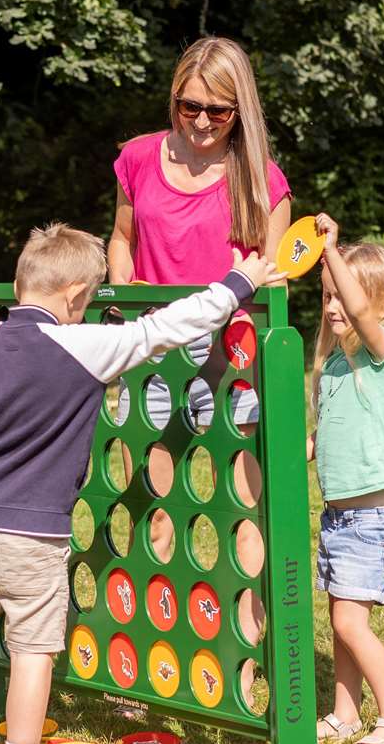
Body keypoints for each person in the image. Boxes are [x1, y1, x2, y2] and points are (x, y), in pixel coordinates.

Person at [0, 223, 281, 744]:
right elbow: (164, 328)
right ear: (77, 295)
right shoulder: (83, 345)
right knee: (34, 653)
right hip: (32, 532)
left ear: (19, 283)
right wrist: (240, 282)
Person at [106, 36, 291, 557]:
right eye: (190, 107)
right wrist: (123, 299)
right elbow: (122, 239)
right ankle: (156, 637)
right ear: (174, 101)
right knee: (154, 515)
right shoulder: (138, 158)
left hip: (232, 355)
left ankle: (250, 636)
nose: (202, 121)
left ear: (240, 110)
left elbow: (272, 279)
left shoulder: (262, 179)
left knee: (245, 514)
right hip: (154, 352)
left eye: (218, 110)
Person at [308, 213, 384, 744]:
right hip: (340, 517)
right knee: (340, 623)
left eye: (343, 297)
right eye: (325, 296)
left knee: (352, 624)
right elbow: (324, 438)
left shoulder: (381, 357)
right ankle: (343, 714)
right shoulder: (332, 366)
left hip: (374, 519)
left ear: (380, 306)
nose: (334, 306)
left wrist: (330, 249)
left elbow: (357, 307)